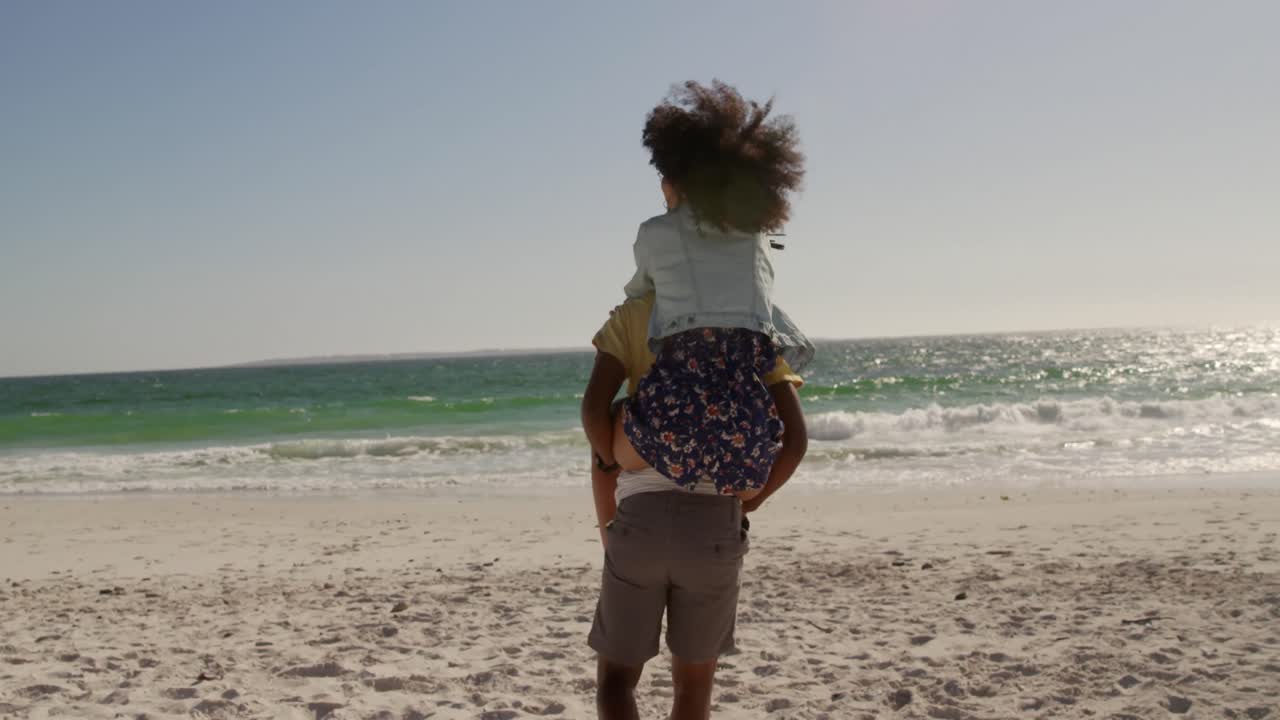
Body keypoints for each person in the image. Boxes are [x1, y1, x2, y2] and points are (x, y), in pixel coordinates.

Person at [581, 292, 808, 720]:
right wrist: (749, 504)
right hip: (714, 527)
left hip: (638, 524)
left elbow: (593, 413)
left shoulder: (636, 313)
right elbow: (795, 443)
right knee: (693, 689)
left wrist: (613, 461)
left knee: (616, 681)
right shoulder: (755, 319)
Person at [593, 80, 813, 506]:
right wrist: (751, 505)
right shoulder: (757, 242)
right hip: (747, 447)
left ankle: (612, 537)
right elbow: (797, 442)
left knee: (606, 423)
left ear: (675, 179)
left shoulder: (656, 234)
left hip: (666, 431)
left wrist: (605, 456)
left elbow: (641, 292)